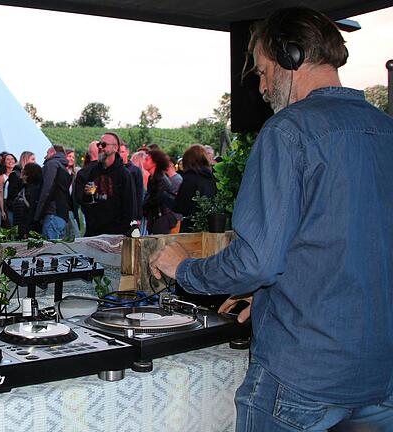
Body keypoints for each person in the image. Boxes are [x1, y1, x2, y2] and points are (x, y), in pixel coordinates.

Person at [150, 7, 393, 432]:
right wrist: (266, 295)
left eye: (263, 71)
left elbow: (255, 261)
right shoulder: (385, 129)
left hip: (303, 379)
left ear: (291, 57)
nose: (261, 88)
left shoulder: (288, 130)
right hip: (380, 376)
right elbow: (349, 249)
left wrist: (184, 270)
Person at [73, 133, 136, 237]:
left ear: (115, 148)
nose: (100, 148)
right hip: (93, 232)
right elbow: (85, 201)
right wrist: (87, 195)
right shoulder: (93, 171)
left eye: (104, 144)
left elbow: (129, 206)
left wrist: (122, 232)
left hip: (114, 233)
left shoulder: (123, 174)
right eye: (99, 145)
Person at [168, 145, 216, 232]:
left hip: (191, 226)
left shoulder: (190, 178)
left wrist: (166, 197)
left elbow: (180, 207)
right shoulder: (211, 177)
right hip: (209, 225)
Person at [33, 145, 72, 240]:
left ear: (52, 152)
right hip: (61, 214)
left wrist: (37, 215)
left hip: (52, 213)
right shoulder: (64, 167)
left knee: (50, 248)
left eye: (46, 153)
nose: (44, 157)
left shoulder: (52, 165)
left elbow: (47, 189)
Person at [142, 149, 176, 234]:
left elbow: (155, 199)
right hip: (156, 218)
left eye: (147, 160)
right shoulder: (152, 178)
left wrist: (142, 206)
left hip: (162, 219)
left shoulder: (161, 179)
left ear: (154, 163)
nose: (144, 162)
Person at [12, 162, 42, 238]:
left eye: (24, 171)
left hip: (25, 228)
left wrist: (26, 230)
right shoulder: (26, 188)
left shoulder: (31, 191)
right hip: (22, 226)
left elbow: (31, 212)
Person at [0, 153, 17, 227]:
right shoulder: (1, 177)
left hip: (17, 203)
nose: (10, 161)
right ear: (4, 162)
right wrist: (2, 210)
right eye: (8, 159)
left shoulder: (19, 174)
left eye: (12, 159)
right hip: (7, 203)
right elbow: (0, 195)